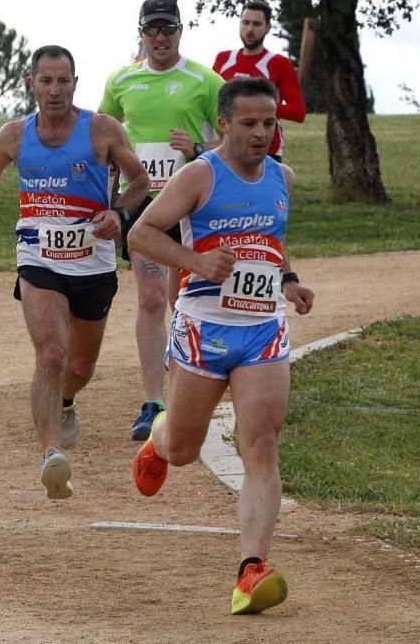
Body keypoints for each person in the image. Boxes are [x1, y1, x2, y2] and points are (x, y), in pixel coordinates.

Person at [128, 76, 314, 614]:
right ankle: (158, 440)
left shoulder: (283, 177)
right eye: (250, 123)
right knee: (184, 449)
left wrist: (289, 279)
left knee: (261, 445)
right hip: (203, 327)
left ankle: (251, 570)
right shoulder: (198, 176)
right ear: (225, 124)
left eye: (269, 123)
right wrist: (194, 263)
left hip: (262, 330)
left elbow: (272, 241)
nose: (261, 133)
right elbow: (141, 234)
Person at [0, 45, 149, 499]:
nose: (55, 89)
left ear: (76, 84)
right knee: (50, 354)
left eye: (63, 80)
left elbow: (139, 180)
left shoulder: (102, 129)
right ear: (32, 85)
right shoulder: (13, 134)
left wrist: (119, 215)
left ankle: (66, 400)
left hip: (93, 260)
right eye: (46, 80)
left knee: (80, 366)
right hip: (38, 255)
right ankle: (50, 454)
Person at [99, 0, 226, 441]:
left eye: (167, 29)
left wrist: (196, 151)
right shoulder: (121, 81)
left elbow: (233, 144)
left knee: (182, 300)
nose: (159, 38)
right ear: (140, 34)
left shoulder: (205, 81)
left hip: (191, 209)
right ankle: (153, 402)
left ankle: (195, 388)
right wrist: (109, 191)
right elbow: (101, 141)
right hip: (142, 206)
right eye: (151, 30)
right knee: (151, 299)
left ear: (180, 31)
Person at [212, 0, 306, 162]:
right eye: (245, 23)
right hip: (229, 150)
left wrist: (258, 106)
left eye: (256, 24)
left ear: (267, 27)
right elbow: (210, 102)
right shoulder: (223, 59)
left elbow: (298, 112)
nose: (249, 29)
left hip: (267, 151)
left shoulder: (279, 63)